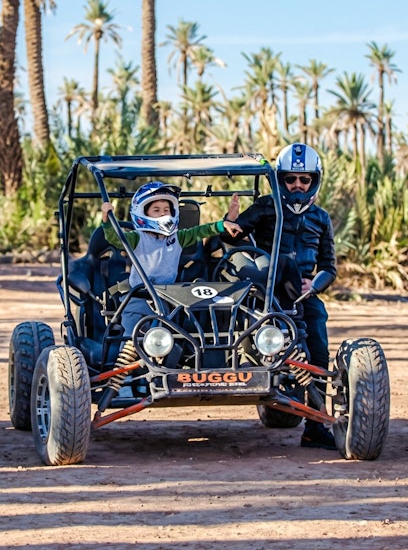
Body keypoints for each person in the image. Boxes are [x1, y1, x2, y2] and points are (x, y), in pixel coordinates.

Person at [223, 143, 338, 450]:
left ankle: (315, 426)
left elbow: (329, 266)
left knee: (318, 346)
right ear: (280, 179)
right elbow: (229, 237)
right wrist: (230, 219)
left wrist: (314, 286)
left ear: (314, 181)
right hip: (264, 289)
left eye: (304, 180)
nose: (297, 186)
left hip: (301, 296)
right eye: (291, 179)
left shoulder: (321, 218)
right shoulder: (265, 206)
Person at [102, 181, 242, 352]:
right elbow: (116, 239)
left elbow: (201, 231)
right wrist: (107, 221)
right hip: (138, 298)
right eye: (156, 210)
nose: (163, 214)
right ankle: (124, 373)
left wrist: (223, 224)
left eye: (166, 210)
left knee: (168, 341)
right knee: (132, 340)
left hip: (167, 298)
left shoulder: (178, 237)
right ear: (143, 213)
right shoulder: (137, 238)